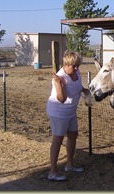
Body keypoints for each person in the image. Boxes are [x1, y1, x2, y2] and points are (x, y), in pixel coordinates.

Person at [46, 50, 90, 181]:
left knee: (72, 135)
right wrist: (59, 85)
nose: (76, 68)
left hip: (71, 111)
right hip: (59, 112)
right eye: (74, 66)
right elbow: (61, 99)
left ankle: (69, 165)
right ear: (66, 64)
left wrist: (85, 90)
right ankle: (53, 171)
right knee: (58, 139)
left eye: (77, 65)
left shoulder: (75, 73)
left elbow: (78, 86)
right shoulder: (60, 78)